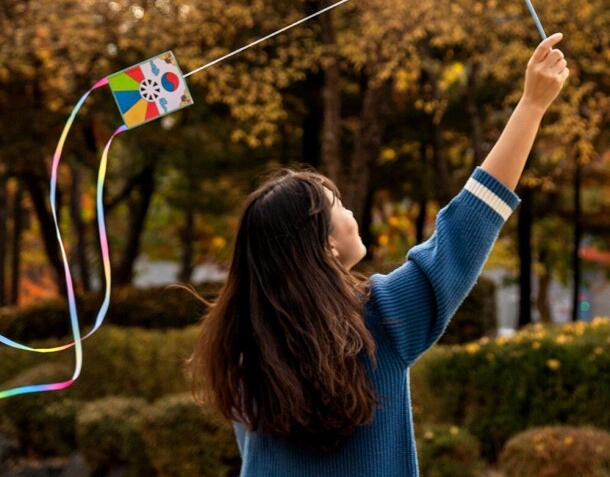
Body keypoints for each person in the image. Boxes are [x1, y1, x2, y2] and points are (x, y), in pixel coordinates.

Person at [188, 33, 569, 476]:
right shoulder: (382, 318)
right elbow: (470, 224)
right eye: (339, 205)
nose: (351, 211)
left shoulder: (242, 353)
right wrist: (531, 105)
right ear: (325, 246)